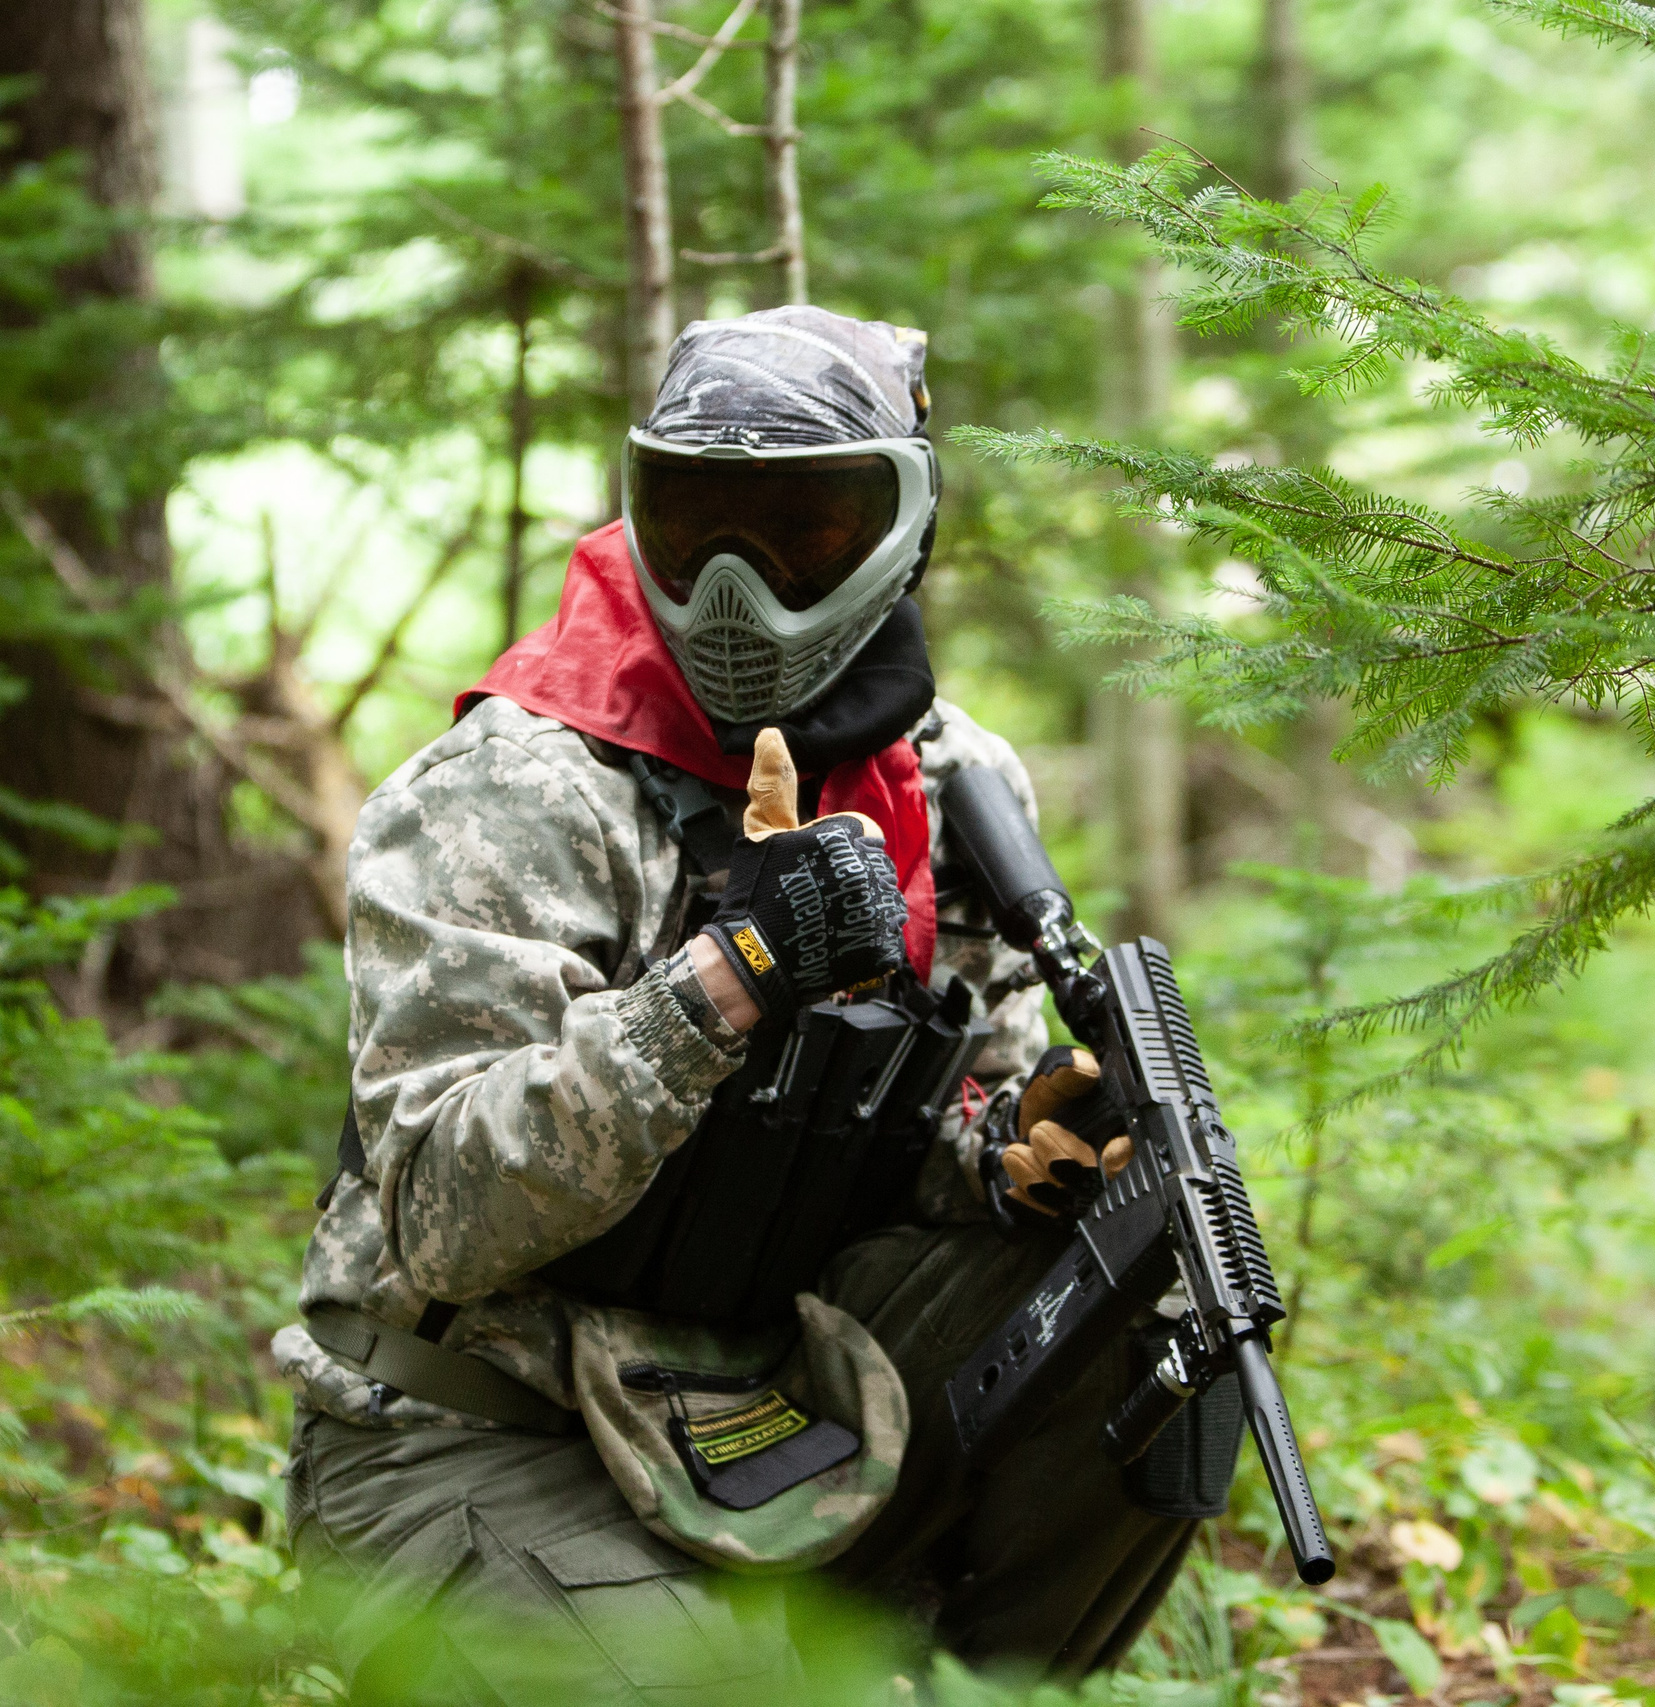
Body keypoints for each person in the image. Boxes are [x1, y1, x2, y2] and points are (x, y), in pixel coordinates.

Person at [277, 307, 1215, 1702]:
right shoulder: (515, 789)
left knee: (1158, 1285)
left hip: (777, 1395)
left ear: (904, 523)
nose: (741, 589)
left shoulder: (949, 782)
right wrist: (726, 981)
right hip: (480, 1422)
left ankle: (943, 1675)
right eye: (697, 524)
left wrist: (1014, 1151)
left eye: (804, 533)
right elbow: (445, 1215)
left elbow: (933, 1133)